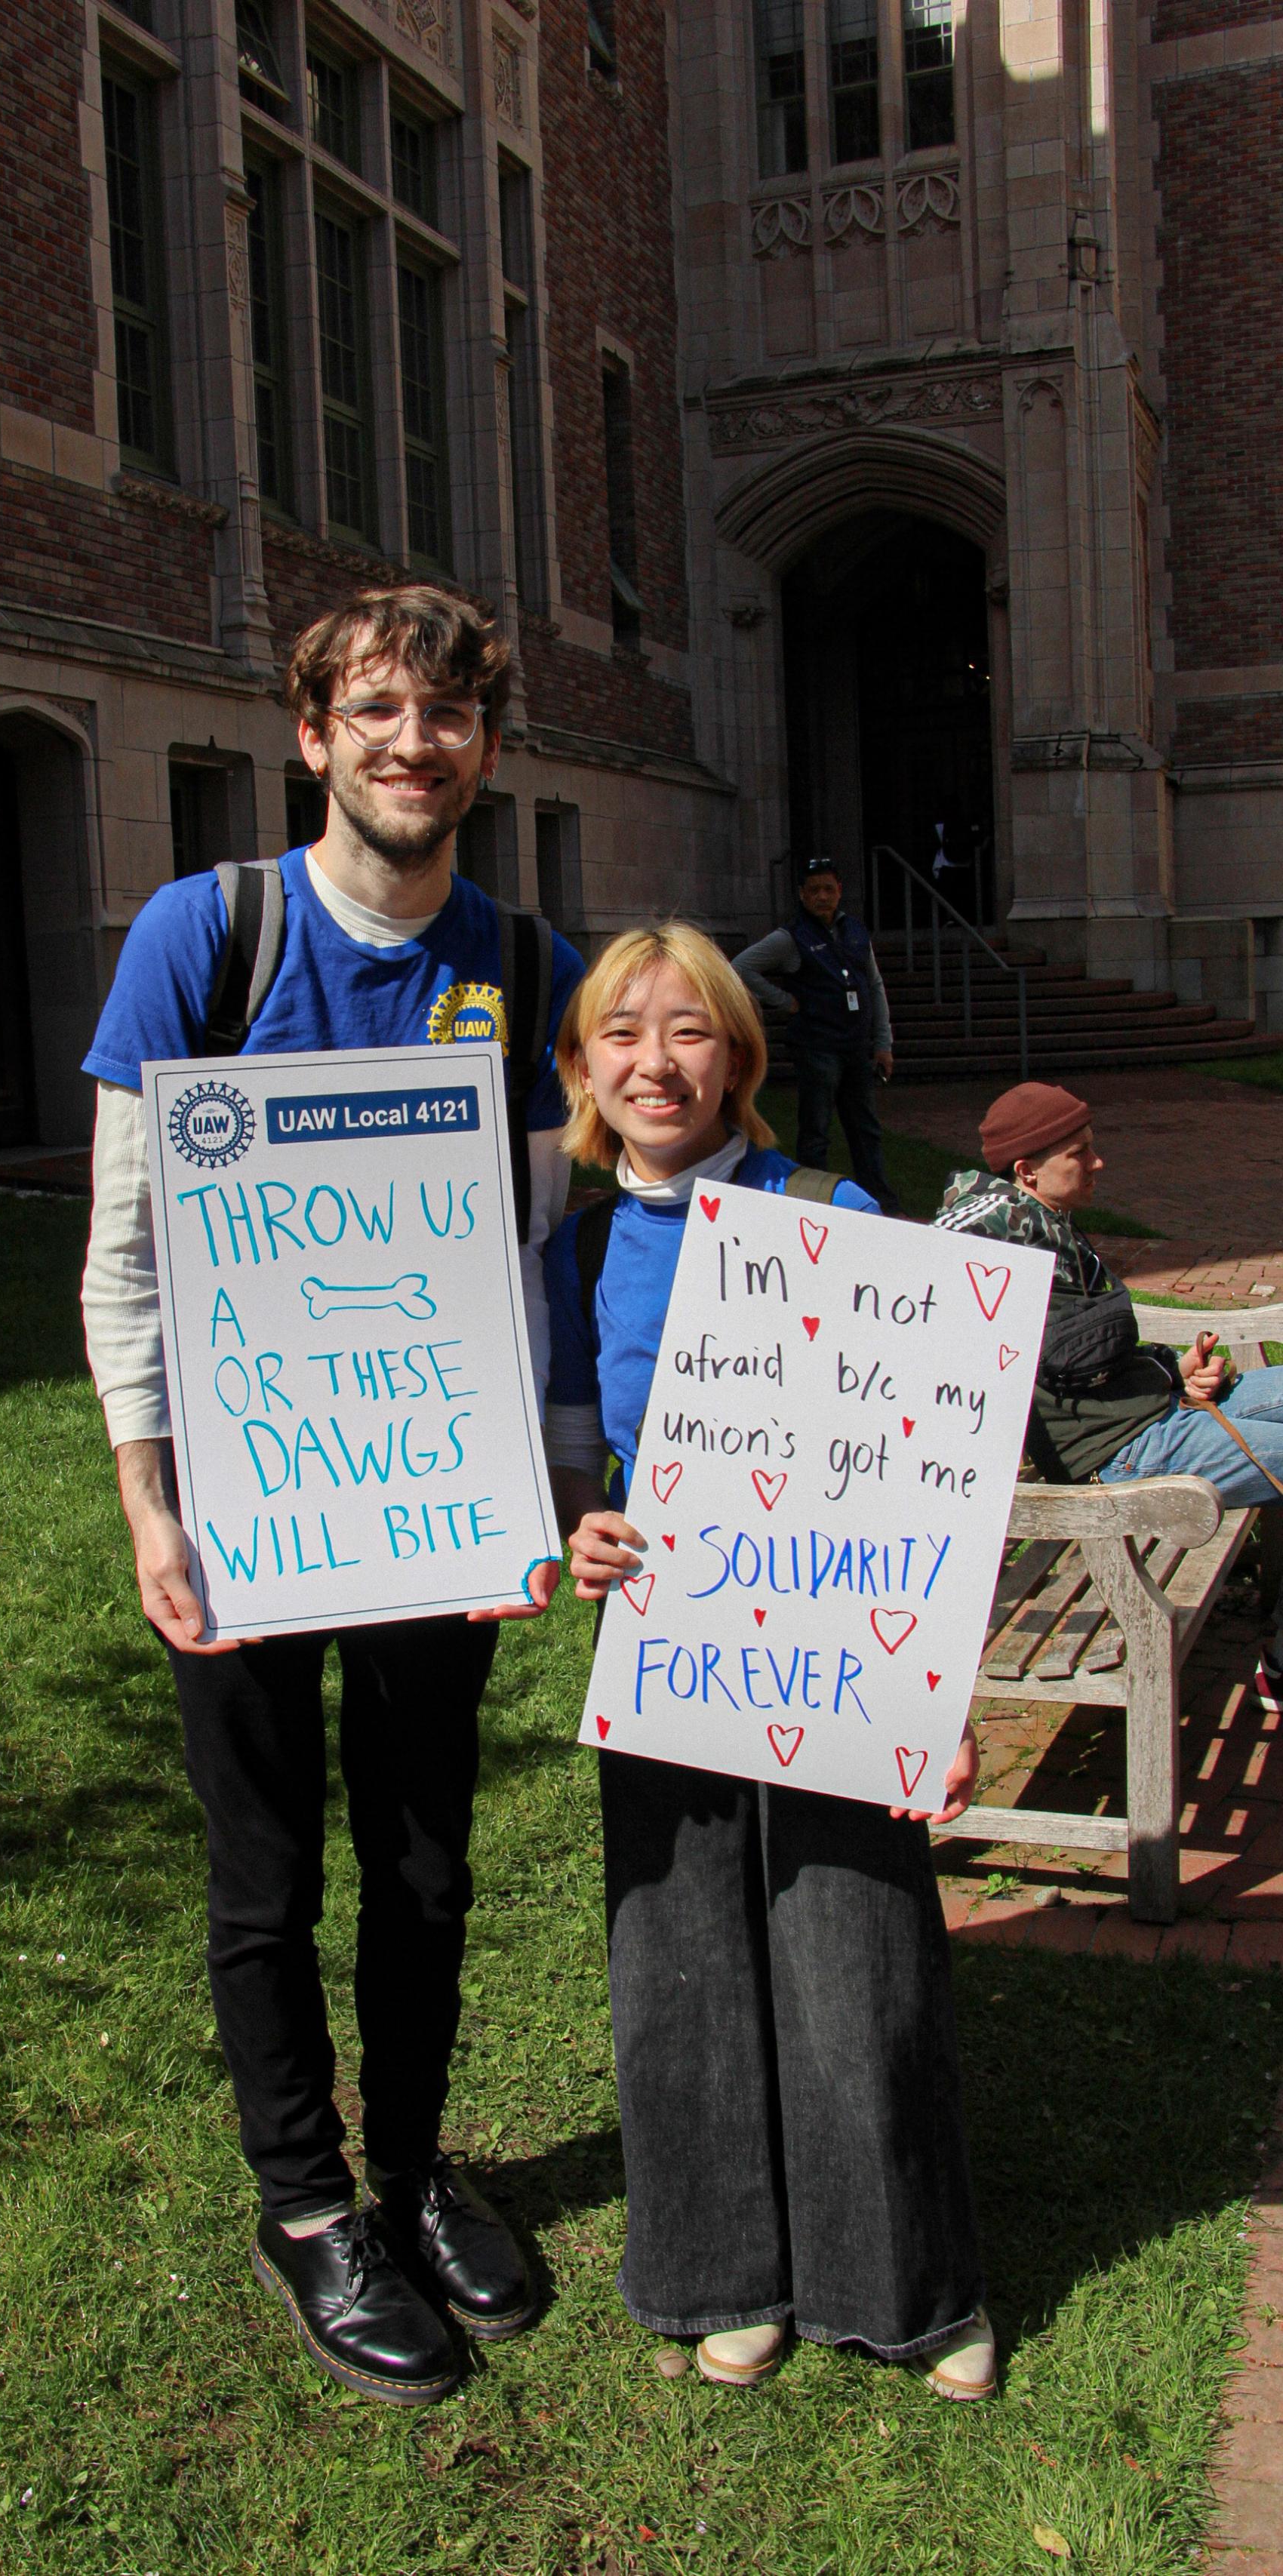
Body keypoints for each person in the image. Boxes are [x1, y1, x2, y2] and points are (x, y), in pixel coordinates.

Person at [80, 583, 585, 2408]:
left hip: (437, 1504)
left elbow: (534, 1256)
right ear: (311, 734)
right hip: (243, 1503)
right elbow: (127, 1254)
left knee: (430, 1861)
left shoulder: (523, 965)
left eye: (445, 713)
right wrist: (149, 1504)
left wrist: (525, 1487)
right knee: (267, 1870)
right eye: (373, 707)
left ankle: (414, 2168)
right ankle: (308, 2207)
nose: (410, 742)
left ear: (483, 749)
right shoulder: (199, 935)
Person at [542, 923, 994, 2402]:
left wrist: (946, 1688)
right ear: (586, 1068)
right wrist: (579, 1525)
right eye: (623, 1033)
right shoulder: (583, 1236)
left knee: (854, 1936)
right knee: (681, 1950)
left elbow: (925, 1459)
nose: (654, 1061)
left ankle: (904, 2281)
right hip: (663, 1634)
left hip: (834, 1637)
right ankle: (721, 2264)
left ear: (739, 1057)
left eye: (688, 1031)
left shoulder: (832, 1206)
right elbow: (554, 1436)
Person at [935, 1082, 1283, 1710]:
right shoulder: (993, 1253)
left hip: (1152, 1420)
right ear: (1028, 1170)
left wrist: (1177, 1370)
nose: (1098, 1163)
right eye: (1080, 1153)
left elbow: (1093, 1358)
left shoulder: (1043, 1230)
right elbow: (1077, 1356)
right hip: (1119, 1462)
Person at [731, 857, 900, 1213]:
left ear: (839, 891)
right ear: (802, 895)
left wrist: (883, 1042)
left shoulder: (855, 931)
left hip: (856, 1045)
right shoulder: (790, 937)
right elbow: (741, 966)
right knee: (816, 1131)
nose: (822, 897)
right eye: (814, 891)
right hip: (817, 1045)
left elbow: (874, 984)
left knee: (865, 1128)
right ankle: (813, 1205)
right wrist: (783, 1001)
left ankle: (881, 1202)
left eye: (828, 889)